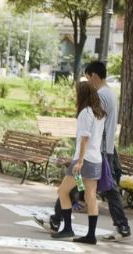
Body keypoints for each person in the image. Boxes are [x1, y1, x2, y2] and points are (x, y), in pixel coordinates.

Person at [34, 61, 131, 242]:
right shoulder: (109, 94)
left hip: (95, 152)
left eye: (87, 78)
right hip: (100, 152)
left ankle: (61, 222)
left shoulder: (96, 100)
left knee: (74, 189)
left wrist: (78, 159)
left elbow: (86, 134)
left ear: (93, 76)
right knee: (91, 192)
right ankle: (88, 230)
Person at [50, 81, 106, 245]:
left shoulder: (85, 113)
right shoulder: (100, 114)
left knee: (62, 191)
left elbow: (84, 139)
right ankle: (90, 235)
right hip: (96, 159)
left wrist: (79, 161)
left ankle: (67, 228)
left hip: (84, 160)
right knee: (90, 197)